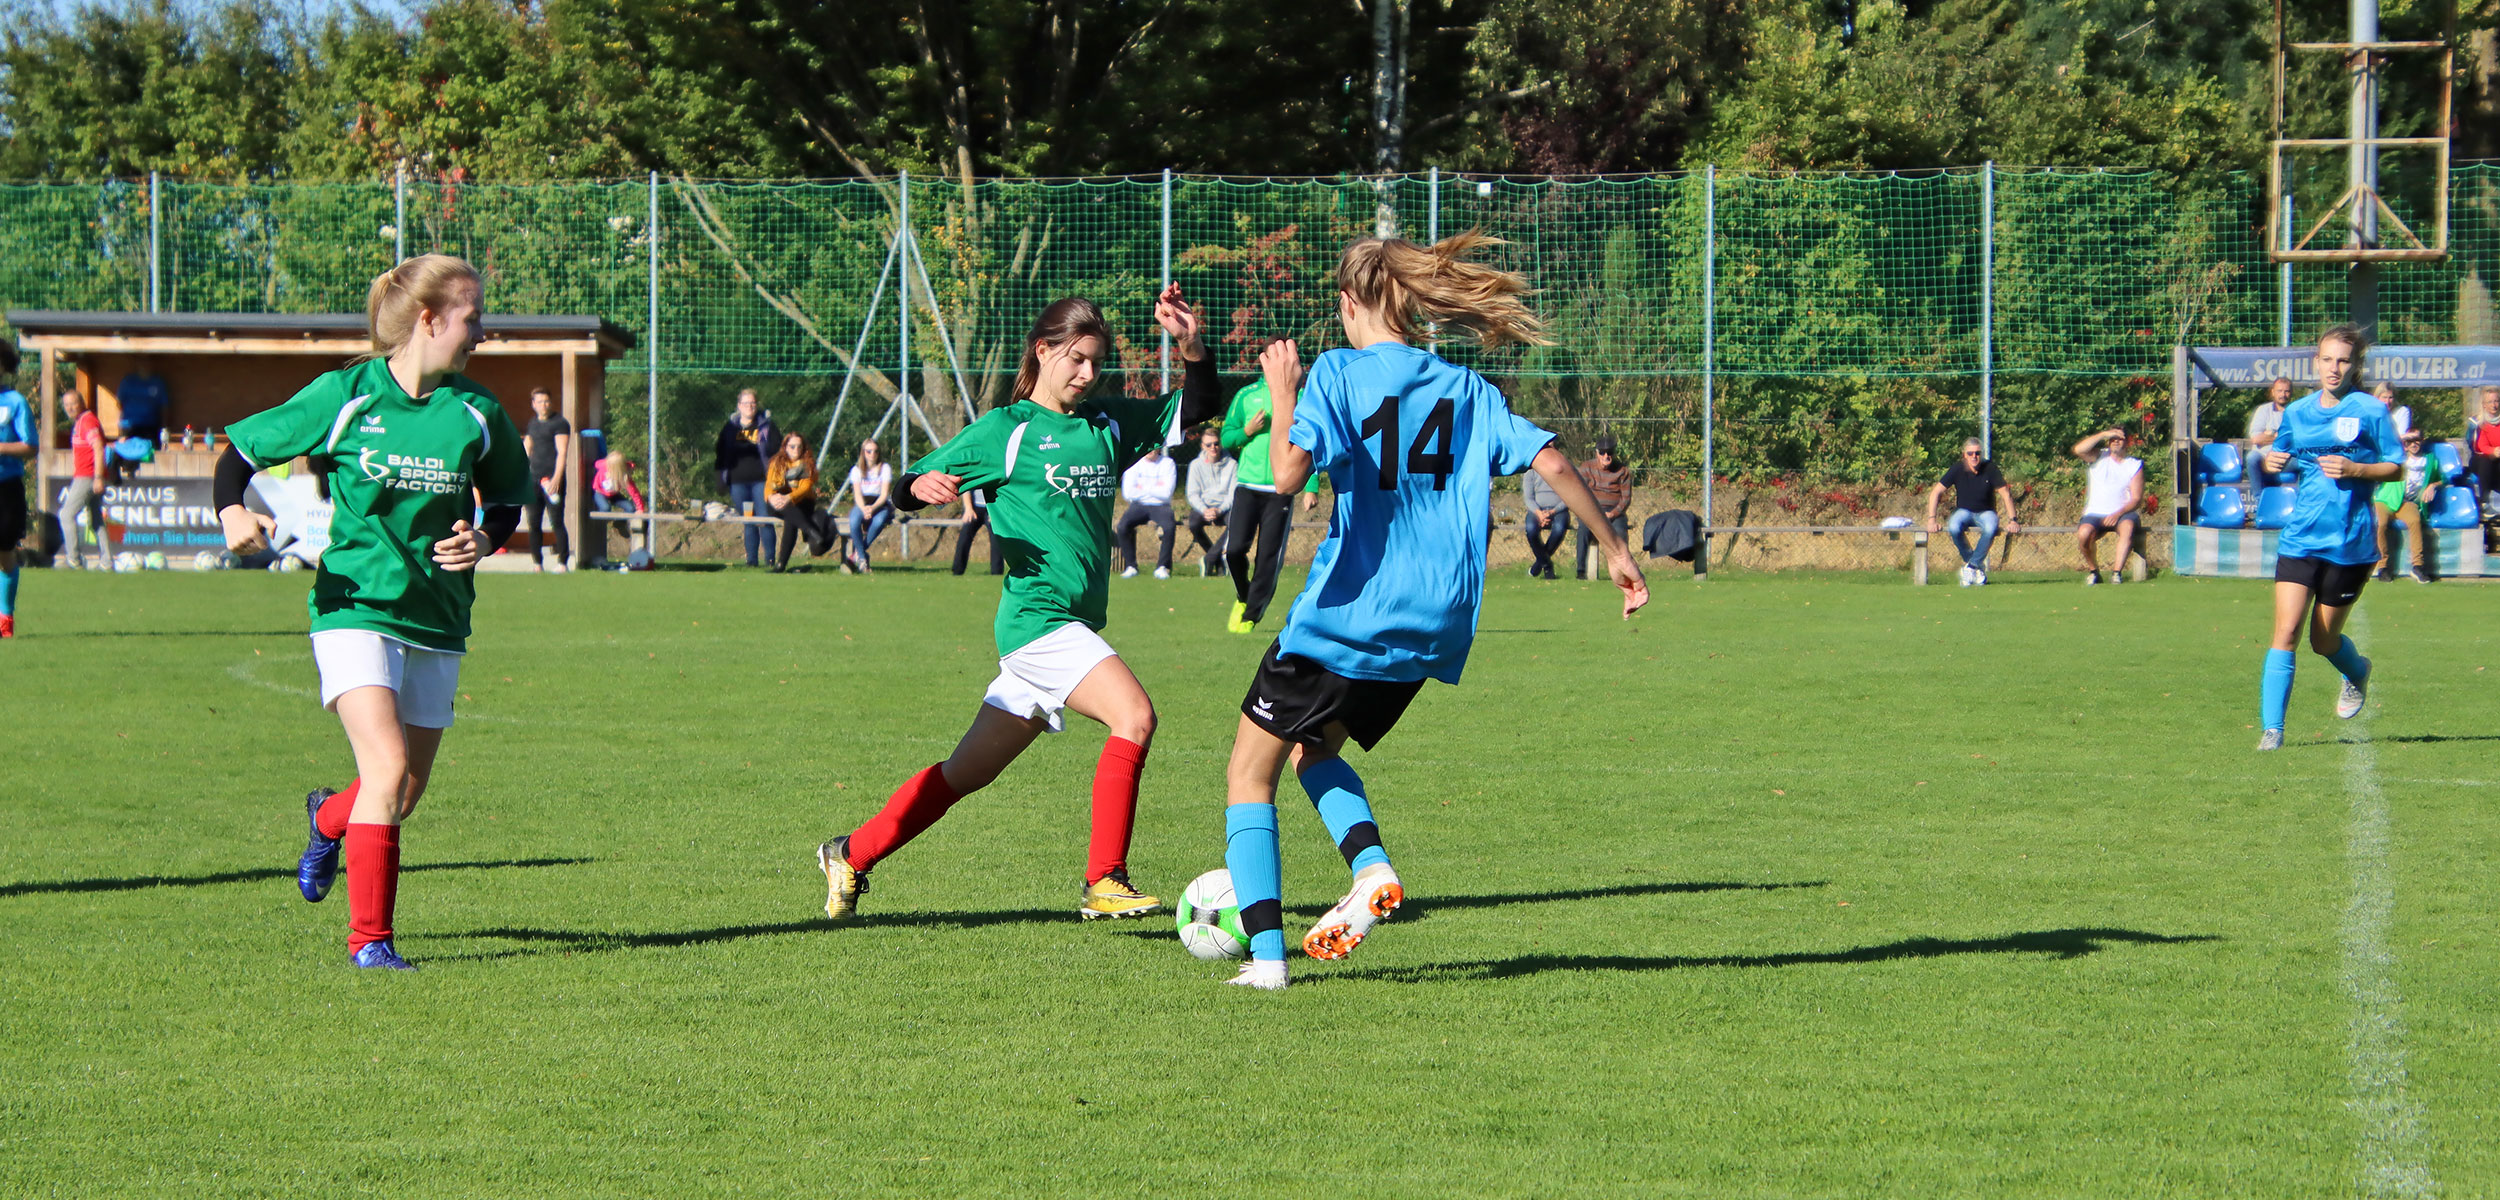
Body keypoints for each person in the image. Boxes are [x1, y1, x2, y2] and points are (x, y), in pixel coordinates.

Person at [1216, 233, 1649, 991]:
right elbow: (1549, 459)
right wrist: (1613, 549)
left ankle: (1267, 963)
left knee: (1248, 777)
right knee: (1312, 750)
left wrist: (1282, 389)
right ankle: (1370, 869)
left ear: (1350, 304)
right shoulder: (1467, 388)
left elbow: (1286, 475)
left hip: (1347, 616)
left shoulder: (1338, 375)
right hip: (1433, 626)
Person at [815, 284, 1223, 923]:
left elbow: (1197, 406)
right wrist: (916, 486)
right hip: (1038, 624)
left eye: (1096, 362)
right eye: (1076, 359)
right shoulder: (1006, 432)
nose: (1088, 374)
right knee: (1135, 717)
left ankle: (850, 852)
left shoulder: (1106, 424)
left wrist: (1190, 345)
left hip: (1067, 628)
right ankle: (1104, 878)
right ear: (1044, 351)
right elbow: (904, 488)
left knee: (961, 775)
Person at [211, 254, 531, 969]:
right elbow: (238, 454)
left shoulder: (478, 414)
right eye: (473, 317)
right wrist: (233, 510)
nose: (483, 332)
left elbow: (508, 498)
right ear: (430, 319)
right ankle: (372, 946)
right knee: (385, 768)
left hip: (440, 616)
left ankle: (328, 819)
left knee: (402, 792)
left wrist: (486, 536)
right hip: (353, 606)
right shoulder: (347, 395)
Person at [2253, 324, 2401, 752]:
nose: (2334, 368)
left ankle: (2356, 672)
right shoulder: (2297, 412)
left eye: (2343, 360)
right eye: (2327, 359)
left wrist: (2357, 469)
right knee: (2286, 632)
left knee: (2323, 641)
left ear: (2355, 365)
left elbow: (2394, 466)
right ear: (2315, 362)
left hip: (2350, 544)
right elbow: (2281, 455)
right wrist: (2274, 460)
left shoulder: (2370, 411)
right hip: (2300, 539)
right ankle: (2272, 730)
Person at [1218, 376, 1322, 633]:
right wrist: (1247, 431)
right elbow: (1226, 438)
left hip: (1281, 489)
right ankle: (1244, 596)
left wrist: (1310, 486)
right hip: (1248, 486)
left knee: (1268, 556)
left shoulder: (1304, 397)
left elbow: (1312, 443)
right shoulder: (1246, 394)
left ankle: (1252, 615)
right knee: (1234, 551)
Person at [1925, 438, 2020, 586]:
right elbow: (1936, 492)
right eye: (1970, 453)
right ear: (1964, 455)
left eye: (1977, 453)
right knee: (1954, 526)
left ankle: (1971, 567)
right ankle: (1975, 566)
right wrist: (1932, 519)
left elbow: (2005, 494)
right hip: (1964, 511)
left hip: (1986, 512)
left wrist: (2013, 520)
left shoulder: (1990, 468)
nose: (1974, 456)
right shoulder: (1957, 469)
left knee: (1990, 527)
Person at [2072, 428, 2143, 585]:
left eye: (2120, 438)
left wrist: (2117, 514)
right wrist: (2104, 434)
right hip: (2095, 512)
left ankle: (2116, 573)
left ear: (2127, 442)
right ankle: (2094, 572)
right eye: (2113, 439)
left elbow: (2136, 498)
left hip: (2123, 512)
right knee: (2084, 534)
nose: (2116, 441)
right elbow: (2078, 449)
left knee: (2128, 528)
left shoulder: (2133, 464)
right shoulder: (2098, 457)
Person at [714, 389, 776, 568]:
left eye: (753, 403)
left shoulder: (766, 426)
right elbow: (721, 454)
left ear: (757, 405)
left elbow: (776, 451)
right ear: (739, 406)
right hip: (738, 482)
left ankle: (771, 560)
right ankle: (751, 561)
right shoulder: (730, 428)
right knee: (748, 520)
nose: (750, 406)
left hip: (761, 481)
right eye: (746, 403)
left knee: (764, 518)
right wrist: (720, 480)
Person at [2370, 427, 2441, 584]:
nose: (2413, 444)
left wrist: (2433, 485)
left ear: (2422, 441)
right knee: (2380, 524)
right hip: (2386, 499)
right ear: (2404, 444)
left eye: (2417, 440)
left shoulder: (2430, 460)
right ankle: (2383, 566)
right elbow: (2382, 449)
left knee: (2415, 521)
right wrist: (2401, 439)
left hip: (2407, 502)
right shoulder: (2398, 457)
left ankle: (2418, 566)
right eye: (2409, 441)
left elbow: (2443, 478)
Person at [764, 431, 835, 570]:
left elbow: (805, 488)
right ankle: (812, 531)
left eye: (799, 446)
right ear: (785, 447)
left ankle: (780, 565)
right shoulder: (776, 462)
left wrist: (788, 497)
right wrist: (772, 497)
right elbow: (769, 485)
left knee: (791, 520)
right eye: (792, 446)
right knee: (779, 508)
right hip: (779, 503)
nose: (796, 450)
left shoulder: (807, 464)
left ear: (804, 448)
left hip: (802, 502)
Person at [521, 387, 572, 572]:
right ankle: (537, 564)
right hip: (533, 480)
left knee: (556, 521)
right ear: (534, 404)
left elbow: (562, 452)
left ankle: (563, 563)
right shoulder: (533, 423)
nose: (544, 405)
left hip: (551, 480)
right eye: (540, 401)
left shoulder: (559, 423)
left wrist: (556, 478)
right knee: (533, 522)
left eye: (547, 401)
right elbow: (527, 447)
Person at [59, 387, 110, 571]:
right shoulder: (82, 421)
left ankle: (73, 559)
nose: (70, 407)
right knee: (96, 518)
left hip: (87, 476)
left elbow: (98, 447)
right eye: (66, 404)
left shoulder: (87, 421)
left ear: (82, 403)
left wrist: (97, 477)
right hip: (89, 475)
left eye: (73, 403)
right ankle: (107, 561)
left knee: (66, 515)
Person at [0, 342, 31, 639]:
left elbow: (30, 445)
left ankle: (5, 615)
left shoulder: (15, 402)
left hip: (6, 488)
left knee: (5, 552)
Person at [1573, 435, 1631, 579]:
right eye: (1603, 453)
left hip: (1614, 512)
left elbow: (1626, 499)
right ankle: (1580, 571)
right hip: (1591, 510)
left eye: (1609, 452)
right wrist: (1589, 512)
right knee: (1583, 529)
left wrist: (1612, 514)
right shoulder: (1586, 467)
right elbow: (1579, 492)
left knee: (1620, 534)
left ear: (1614, 453)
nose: (1606, 456)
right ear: (1597, 453)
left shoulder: (1623, 471)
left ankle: (1623, 572)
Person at [1115, 443, 1178, 578]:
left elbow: (1166, 493)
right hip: (1138, 505)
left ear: (1159, 448)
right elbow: (1128, 493)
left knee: (1169, 527)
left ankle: (1162, 567)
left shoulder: (1168, 463)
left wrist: (1142, 487)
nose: (1150, 451)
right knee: (1122, 526)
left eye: (1154, 447)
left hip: (1161, 506)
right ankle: (1131, 566)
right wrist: (1155, 488)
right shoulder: (1134, 463)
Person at [1181, 426, 1234, 576]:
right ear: (1202, 446)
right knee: (1193, 523)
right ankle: (1217, 560)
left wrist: (1219, 510)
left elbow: (1233, 495)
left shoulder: (1232, 465)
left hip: (1224, 508)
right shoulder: (1195, 465)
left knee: (1236, 522)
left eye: (1216, 443)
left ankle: (1209, 558)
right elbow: (1192, 494)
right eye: (1208, 445)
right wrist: (1204, 509)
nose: (1213, 448)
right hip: (1203, 507)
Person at [842, 439, 894, 574]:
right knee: (854, 521)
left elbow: (884, 495)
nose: (872, 454)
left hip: (879, 503)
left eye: (875, 451)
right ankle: (862, 558)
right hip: (862, 503)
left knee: (879, 521)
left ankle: (858, 555)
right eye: (869, 451)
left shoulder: (885, 468)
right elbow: (857, 494)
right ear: (863, 453)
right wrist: (864, 508)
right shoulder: (856, 470)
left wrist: (873, 508)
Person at [588, 449, 645, 564]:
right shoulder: (603, 466)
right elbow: (596, 463)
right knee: (605, 508)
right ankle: (602, 528)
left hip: (614, 495)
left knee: (630, 508)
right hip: (599, 493)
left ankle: (620, 523)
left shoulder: (624, 476)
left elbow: (634, 492)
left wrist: (640, 508)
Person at [1520, 465, 1568, 579]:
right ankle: (1546, 564)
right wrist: (1539, 514)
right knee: (1531, 529)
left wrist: (1553, 511)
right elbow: (1528, 498)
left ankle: (1538, 565)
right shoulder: (1530, 471)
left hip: (1558, 510)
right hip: (1536, 510)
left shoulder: (1562, 467)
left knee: (1559, 529)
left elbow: (1568, 497)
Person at [115, 354, 168, 448]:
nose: (144, 364)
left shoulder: (158, 382)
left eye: (148, 361)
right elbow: (119, 405)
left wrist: (164, 430)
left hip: (150, 426)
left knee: (149, 452)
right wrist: (120, 431)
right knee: (128, 455)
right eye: (141, 361)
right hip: (130, 426)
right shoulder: (128, 381)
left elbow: (165, 408)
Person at [949, 486, 1003, 576]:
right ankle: (957, 571)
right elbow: (966, 488)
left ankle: (997, 572)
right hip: (974, 507)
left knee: (996, 537)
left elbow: (1001, 491)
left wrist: (995, 511)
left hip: (991, 507)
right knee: (964, 536)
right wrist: (968, 509)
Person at [2467, 385, 2500, 520]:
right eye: (2490, 402)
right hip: (2480, 460)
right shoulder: (2477, 422)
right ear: (2484, 405)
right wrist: (2493, 451)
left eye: (2496, 401)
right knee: (2486, 460)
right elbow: (2479, 446)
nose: (2494, 405)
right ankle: (2485, 503)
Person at [2247, 376, 2292, 450]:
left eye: (2286, 391)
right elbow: (2256, 439)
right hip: (2262, 453)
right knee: (2252, 458)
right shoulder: (2263, 410)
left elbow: (2298, 438)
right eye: (2279, 391)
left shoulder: (2295, 411)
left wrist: (2270, 434)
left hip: (2287, 454)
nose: (2283, 395)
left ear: (2291, 393)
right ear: (2273, 392)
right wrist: (2280, 436)